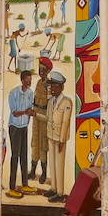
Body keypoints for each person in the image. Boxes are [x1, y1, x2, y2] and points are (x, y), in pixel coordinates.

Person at [5, 68, 37, 198]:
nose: (29, 83)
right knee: (15, 156)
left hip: (24, 126)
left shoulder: (30, 93)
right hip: (14, 127)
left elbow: (30, 109)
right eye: (27, 81)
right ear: (22, 80)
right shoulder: (13, 93)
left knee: (24, 156)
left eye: (30, 81)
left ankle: (24, 184)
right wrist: (26, 112)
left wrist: (30, 115)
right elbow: (15, 113)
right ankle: (12, 187)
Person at [44, 70, 73, 202]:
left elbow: (65, 122)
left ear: (61, 87)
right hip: (51, 135)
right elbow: (48, 118)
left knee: (59, 164)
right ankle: (54, 188)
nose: (52, 89)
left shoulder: (67, 103)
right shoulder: (51, 102)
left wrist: (62, 140)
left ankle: (60, 193)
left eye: (55, 86)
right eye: (51, 86)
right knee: (52, 163)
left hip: (59, 137)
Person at [29, 55, 53, 184]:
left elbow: (50, 103)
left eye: (44, 69)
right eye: (40, 68)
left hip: (43, 115)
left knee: (43, 145)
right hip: (35, 114)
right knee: (35, 142)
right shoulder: (38, 83)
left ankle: (43, 173)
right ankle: (33, 170)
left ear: (48, 71)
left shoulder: (48, 85)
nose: (41, 71)